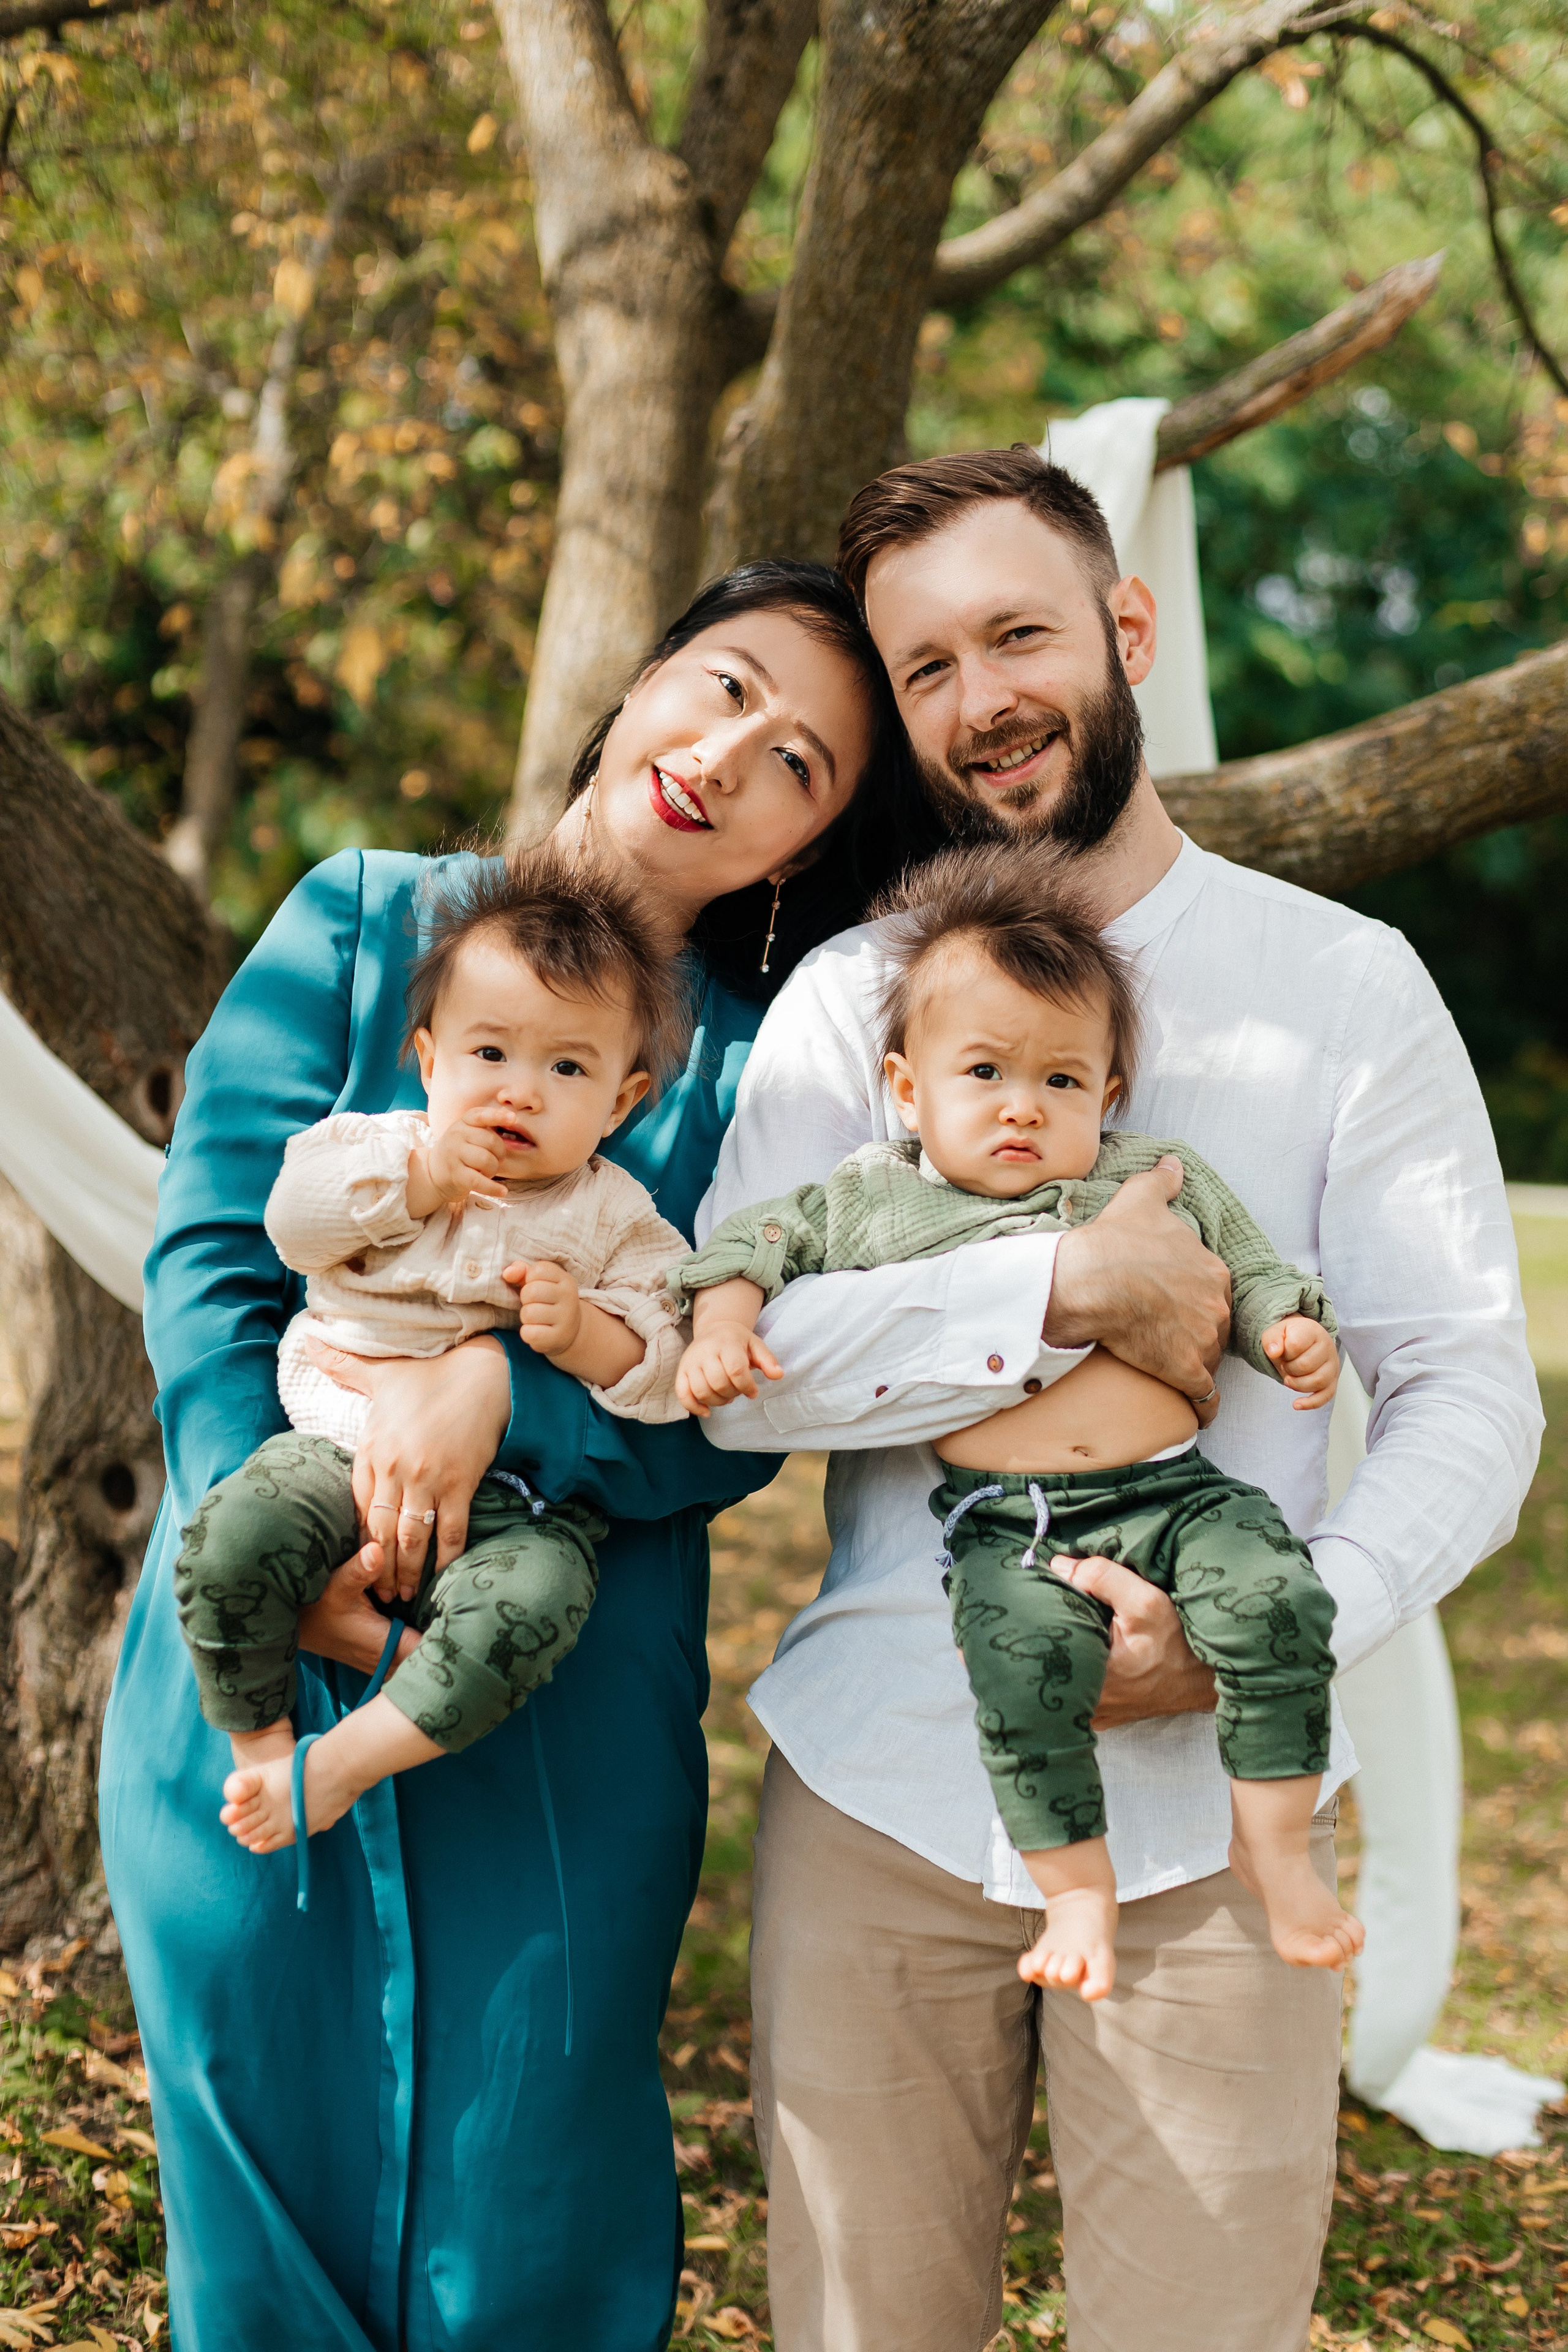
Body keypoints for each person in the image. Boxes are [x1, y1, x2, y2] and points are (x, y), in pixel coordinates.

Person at [696, 450, 1542, 2352]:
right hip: (885, 1778)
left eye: (1018, 635)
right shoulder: (852, 1006)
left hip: (1217, 1833)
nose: (981, 699)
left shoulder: (1345, 990)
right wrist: (1051, 1287)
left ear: (1125, 631)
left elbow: (1471, 1390)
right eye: (927, 670)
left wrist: (1288, 1617)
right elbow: (732, 1394)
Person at [99, 559, 929, 2352]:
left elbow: (744, 1409)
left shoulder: (763, 1080)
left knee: (528, 2203)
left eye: (800, 764)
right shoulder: (365, 916)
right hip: (251, 1639)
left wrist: (503, 1387)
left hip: (560, 1696)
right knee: (250, 2202)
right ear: (638, 686)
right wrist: (280, 1511)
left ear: (805, 850)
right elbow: (214, 1254)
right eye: (721, 688)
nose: (732, 753)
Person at [674, 846, 1359, 1999]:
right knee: (1025, 1671)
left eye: (1061, 1083)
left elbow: (1247, 1270)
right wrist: (720, 1330)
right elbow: (751, 1246)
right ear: (906, 1086)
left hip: (1179, 1494)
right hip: (1012, 1523)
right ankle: (1078, 1892)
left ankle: (1275, 1843)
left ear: (1111, 1095)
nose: (1020, 1109)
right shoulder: (876, 1198)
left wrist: (1288, 1326)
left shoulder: (1155, 1176)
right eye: (983, 1071)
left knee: (1279, 1602)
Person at [175, 849, 694, 1861]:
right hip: (331, 1435)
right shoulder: (375, 1146)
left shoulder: (616, 1214)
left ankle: (351, 1760)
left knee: (538, 1607)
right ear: (429, 1057)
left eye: (568, 1069)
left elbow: (668, 1357)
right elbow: (292, 1224)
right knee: (233, 1539)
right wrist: (414, 1180)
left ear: (623, 1103)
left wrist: (584, 1333)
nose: (521, 1093)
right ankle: (263, 1742)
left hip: (518, 1498)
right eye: (489, 1054)